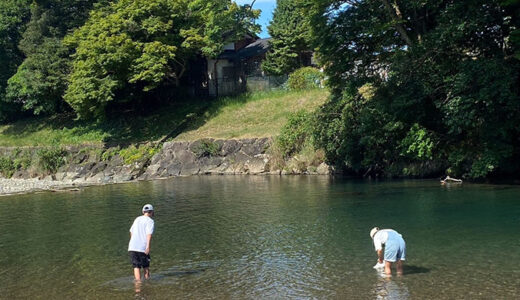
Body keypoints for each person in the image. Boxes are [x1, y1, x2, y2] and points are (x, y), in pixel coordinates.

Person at [129, 204, 155, 281]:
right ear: (151, 212)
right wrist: (148, 247)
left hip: (132, 247)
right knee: (146, 267)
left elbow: (131, 231)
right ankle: (147, 284)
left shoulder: (137, 219)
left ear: (143, 211)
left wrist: (133, 241)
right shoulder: (150, 221)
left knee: (136, 267)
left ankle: (138, 286)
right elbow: (149, 234)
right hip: (142, 247)